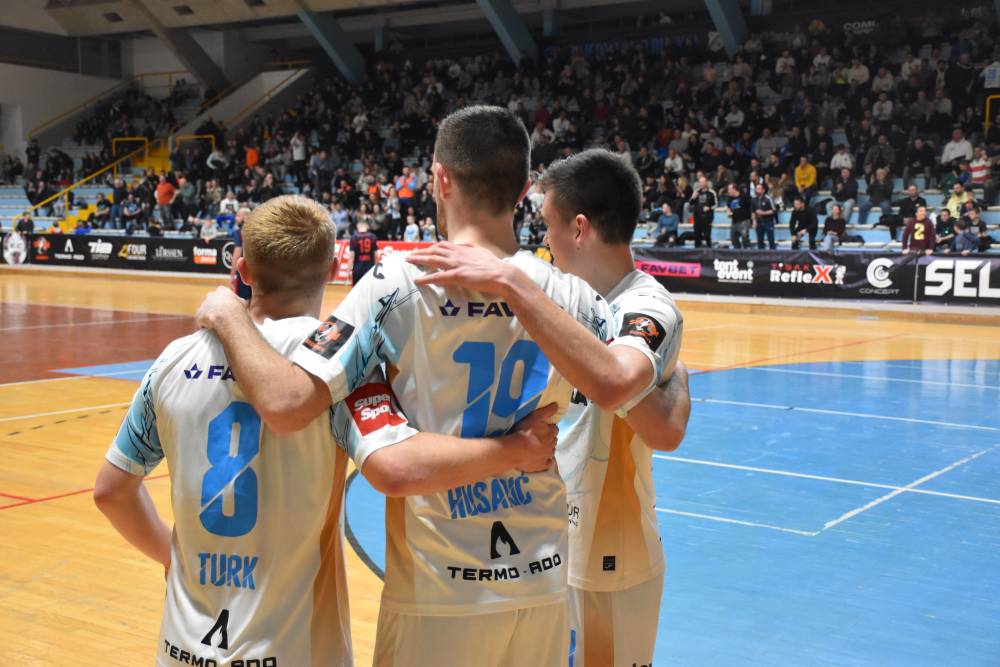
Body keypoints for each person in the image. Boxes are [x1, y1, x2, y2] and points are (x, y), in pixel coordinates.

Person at [195, 107, 670, 667]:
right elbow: (633, 390)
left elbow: (286, 403)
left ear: (440, 179)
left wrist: (229, 314)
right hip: (541, 582)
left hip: (439, 589)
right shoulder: (568, 295)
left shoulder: (398, 281)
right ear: (524, 189)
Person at [93, 195, 559, 667]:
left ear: (243, 270)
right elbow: (398, 463)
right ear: (334, 269)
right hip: (293, 650)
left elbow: (111, 490)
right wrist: (514, 449)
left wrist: (172, 558)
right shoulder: (335, 369)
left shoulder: (172, 362)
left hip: (181, 647)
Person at [406, 149, 689, 667]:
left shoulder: (644, 304)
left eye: (547, 225)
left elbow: (620, 386)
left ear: (578, 228)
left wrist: (511, 281)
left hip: (608, 557)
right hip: (542, 546)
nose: (542, 240)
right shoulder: (560, 299)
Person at [689, 175, 717, 248]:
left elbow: (716, 205)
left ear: (706, 183)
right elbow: (690, 203)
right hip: (697, 217)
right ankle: (696, 251)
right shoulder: (696, 192)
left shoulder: (711, 192)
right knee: (696, 236)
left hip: (707, 218)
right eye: (700, 182)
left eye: (703, 182)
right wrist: (693, 197)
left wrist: (709, 208)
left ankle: (710, 251)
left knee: (707, 236)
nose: (701, 183)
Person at [348, 220, 378, 286]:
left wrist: (349, 270)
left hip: (357, 269)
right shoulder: (372, 236)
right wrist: (376, 269)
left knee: (356, 289)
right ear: (367, 226)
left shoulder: (354, 237)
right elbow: (376, 255)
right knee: (368, 289)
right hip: (369, 269)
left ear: (357, 226)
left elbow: (351, 256)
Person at [751, 183, 777, 249]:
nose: (757, 190)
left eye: (759, 188)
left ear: (763, 190)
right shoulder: (753, 199)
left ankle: (773, 254)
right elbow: (753, 212)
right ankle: (760, 254)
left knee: (771, 240)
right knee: (759, 240)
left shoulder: (768, 198)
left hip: (768, 222)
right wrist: (754, 221)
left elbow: (774, 210)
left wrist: (763, 213)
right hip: (759, 222)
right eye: (756, 188)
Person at [726, 183, 752, 249]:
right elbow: (728, 206)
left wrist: (751, 220)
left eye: (729, 189)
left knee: (745, 239)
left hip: (743, 221)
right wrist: (728, 212)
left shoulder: (744, 196)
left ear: (734, 189)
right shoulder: (730, 198)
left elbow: (750, 207)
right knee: (733, 239)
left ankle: (747, 252)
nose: (728, 191)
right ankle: (738, 252)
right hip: (734, 221)